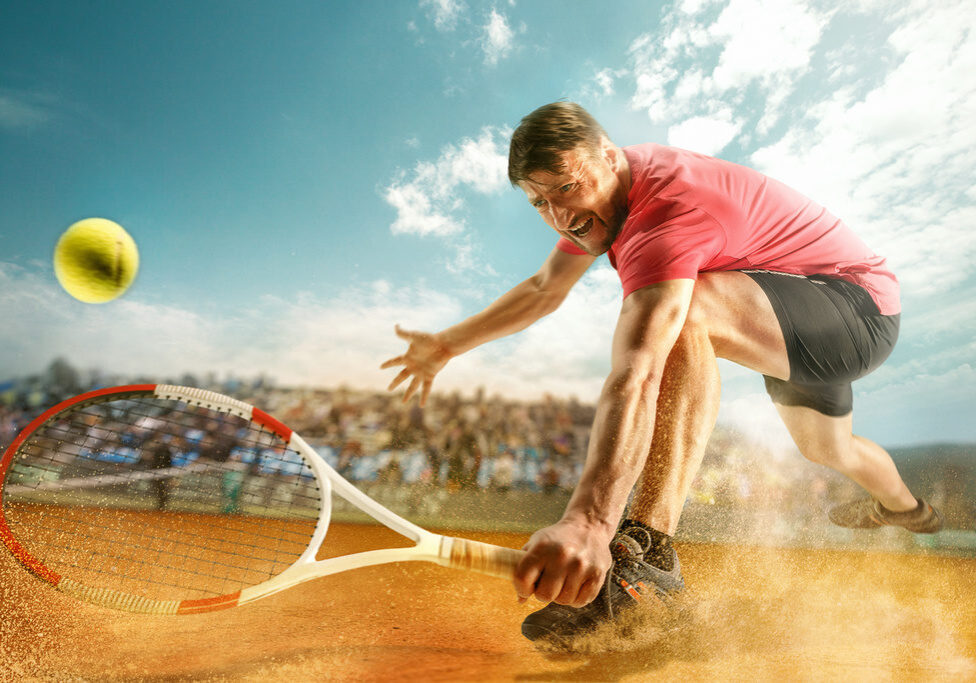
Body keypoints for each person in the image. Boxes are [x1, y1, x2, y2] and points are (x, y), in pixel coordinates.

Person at [381, 101, 943, 647]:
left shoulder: (666, 215)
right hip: (786, 316)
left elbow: (639, 374)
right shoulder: (606, 197)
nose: (558, 216)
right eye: (538, 202)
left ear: (608, 156)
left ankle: (646, 556)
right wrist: (447, 344)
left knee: (686, 312)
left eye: (566, 190)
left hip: (854, 310)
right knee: (829, 449)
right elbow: (543, 289)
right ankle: (906, 510)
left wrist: (590, 523)